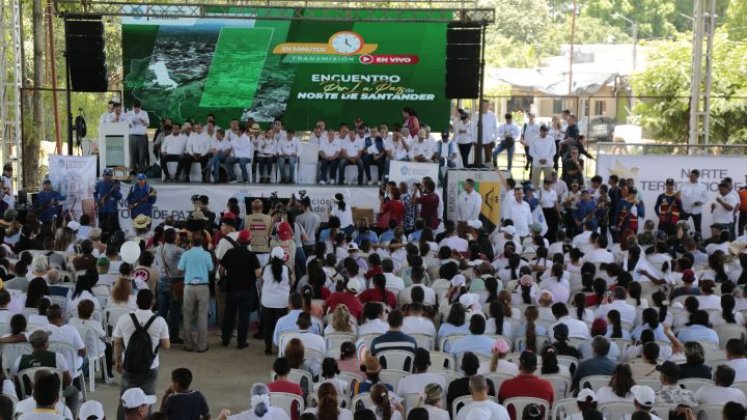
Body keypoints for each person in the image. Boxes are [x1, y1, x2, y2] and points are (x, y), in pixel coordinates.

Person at [113, 289, 170, 419]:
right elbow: (166, 345)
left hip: (129, 365)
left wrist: (118, 361)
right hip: (150, 367)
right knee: (147, 401)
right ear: (153, 302)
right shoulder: (159, 321)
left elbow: (116, 342)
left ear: (136, 302)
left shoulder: (125, 319)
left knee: (125, 399)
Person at [11, 330, 80, 414]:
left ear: (31, 345)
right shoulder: (58, 357)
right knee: (73, 390)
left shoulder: (20, 359)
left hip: (28, 396)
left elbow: (15, 381)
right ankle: (71, 415)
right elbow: (68, 381)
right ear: (46, 344)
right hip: (53, 396)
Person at [220, 229, 261, 349]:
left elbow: (221, 269)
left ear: (238, 240)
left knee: (229, 315)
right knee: (244, 317)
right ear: (249, 242)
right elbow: (258, 274)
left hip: (232, 289)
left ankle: (225, 339)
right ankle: (241, 342)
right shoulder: (252, 256)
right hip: (247, 290)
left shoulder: (230, 253)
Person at [177, 232, 213, 353]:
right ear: (202, 242)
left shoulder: (186, 254)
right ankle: (202, 345)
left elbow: (180, 269)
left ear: (191, 242)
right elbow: (211, 268)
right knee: (202, 316)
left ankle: (188, 344)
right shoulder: (207, 254)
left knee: (187, 316)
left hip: (189, 287)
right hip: (203, 287)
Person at [498, 350, 554, 418]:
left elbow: (500, 406)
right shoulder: (547, 386)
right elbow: (550, 407)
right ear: (535, 367)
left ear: (520, 364)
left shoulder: (506, 385)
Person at [260, 247, 292, 355]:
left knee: (268, 326)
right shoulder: (287, 269)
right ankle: (280, 348)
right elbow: (291, 282)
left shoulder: (265, 268)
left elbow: (262, 280)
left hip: (267, 301)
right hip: (282, 302)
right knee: (282, 326)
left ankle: (268, 348)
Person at [217, 382, 290, 420]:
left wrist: (224, 412)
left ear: (252, 400)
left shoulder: (244, 416)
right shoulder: (280, 413)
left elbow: (222, 419)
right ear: (268, 398)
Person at [680, 169, 708, 237]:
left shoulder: (702, 186)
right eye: (690, 176)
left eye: (693, 176)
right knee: (681, 227)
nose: (691, 178)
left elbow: (706, 198)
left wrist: (700, 202)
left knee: (698, 227)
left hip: (697, 210)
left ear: (697, 176)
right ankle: (680, 241)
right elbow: (679, 194)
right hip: (685, 209)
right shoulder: (684, 184)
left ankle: (698, 242)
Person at [95, 168, 123, 234]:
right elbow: (95, 193)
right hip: (102, 211)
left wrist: (115, 190)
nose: (107, 176)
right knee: (103, 231)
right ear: (103, 175)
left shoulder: (115, 184)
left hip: (112, 212)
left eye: (109, 175)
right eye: (106, 175)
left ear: (111, 176)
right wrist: (97, 200)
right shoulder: (99, 184)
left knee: (114, 231)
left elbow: (119, 197)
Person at [246, 199, 272, 266]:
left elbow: (243, 234)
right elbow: (271, 234)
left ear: (252, 208)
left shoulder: (247, 218)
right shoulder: (269, 218)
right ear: (262, 208)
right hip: (265, 251)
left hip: (251, 250)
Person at [127, 99, 150, 172]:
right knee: (132, 153)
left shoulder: (144, 113)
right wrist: (130, 124)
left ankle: (141, 168)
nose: (136, 110)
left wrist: (143, 121)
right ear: (132, 107)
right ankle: (133, 168)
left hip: (142, 136)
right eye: (135, 108)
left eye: (138, 108)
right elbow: (126, 124)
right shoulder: (129, 113)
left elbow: (148, 124)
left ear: (140, 107)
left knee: (142, 153)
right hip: (132, 135)